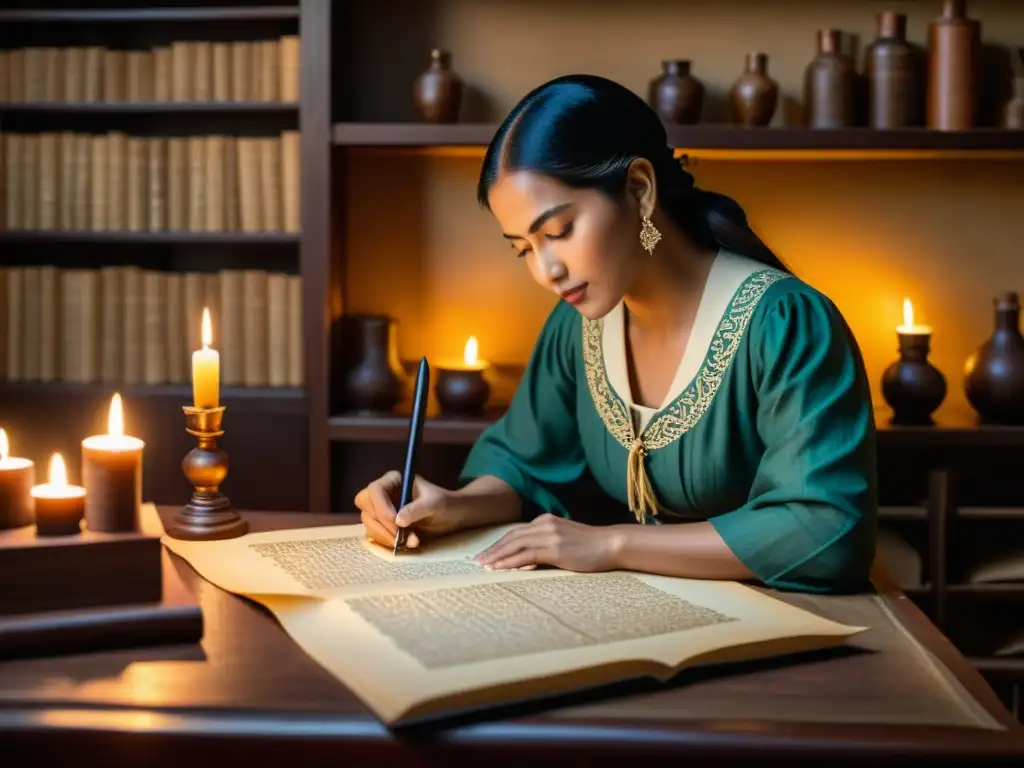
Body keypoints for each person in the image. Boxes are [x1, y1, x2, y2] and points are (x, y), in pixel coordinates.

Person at [354, 73, 878, 594]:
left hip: (780, 621)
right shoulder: (576, 326)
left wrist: (612, 545)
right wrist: (451, 505)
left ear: (639, 189)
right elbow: (525, 463)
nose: (546, 271)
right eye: (523, 248)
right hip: (639, 609)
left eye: (557, 232)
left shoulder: (784, 322)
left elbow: (824, 527)